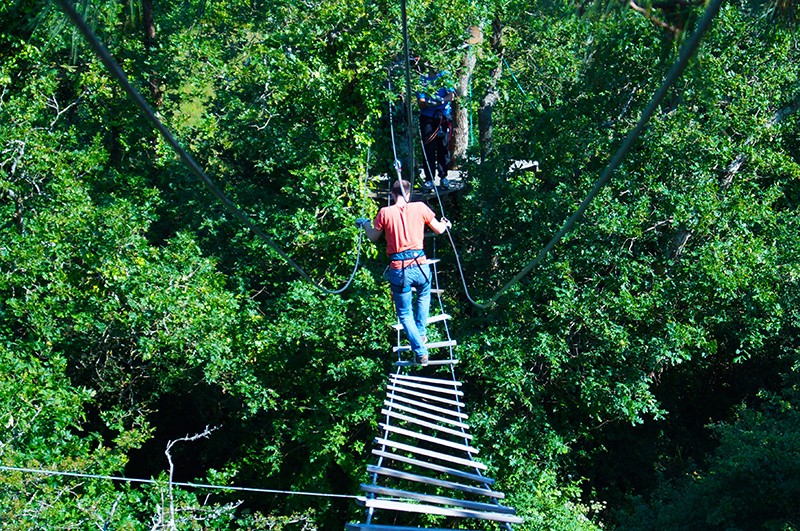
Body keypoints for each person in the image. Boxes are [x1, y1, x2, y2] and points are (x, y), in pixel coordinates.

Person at [356, 180, 452, 365]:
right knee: (424, 297)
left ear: (392, 195)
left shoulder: (385, 212)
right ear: (408, 194)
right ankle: (421, 334)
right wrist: (444, 224)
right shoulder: (420, 207)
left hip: (400, 269)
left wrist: (366, 223)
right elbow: (439, 230)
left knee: (405, 313)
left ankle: (420, 350)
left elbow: (373, 237)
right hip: (421, 266)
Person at [416, 66, 455, 192]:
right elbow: (420, 101)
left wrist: (441, 100)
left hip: (443, 116)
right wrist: (428, 103)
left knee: (443, 147)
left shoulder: (444, 76)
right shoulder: (422, 79)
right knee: (429, 149)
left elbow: (451, 95)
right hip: (428, 117)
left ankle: (443, 176)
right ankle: (429, 179)